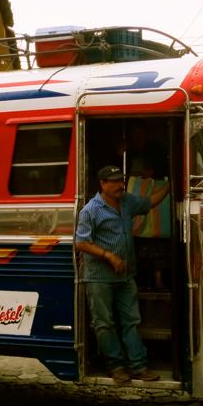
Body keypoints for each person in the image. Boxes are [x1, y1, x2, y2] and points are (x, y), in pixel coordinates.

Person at [75, 165, 170, 385]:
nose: (120, 185)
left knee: (132, 320)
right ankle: (116, 367)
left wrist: (169, 186)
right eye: (115, 181)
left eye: (121, 180)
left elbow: (149, 202)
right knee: (104, 323)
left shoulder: (127, 201)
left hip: (125, 276)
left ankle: (138, 366)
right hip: (99, 277)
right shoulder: (91, 210)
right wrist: (109, 256)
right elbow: (81, 242)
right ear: (103, 184)